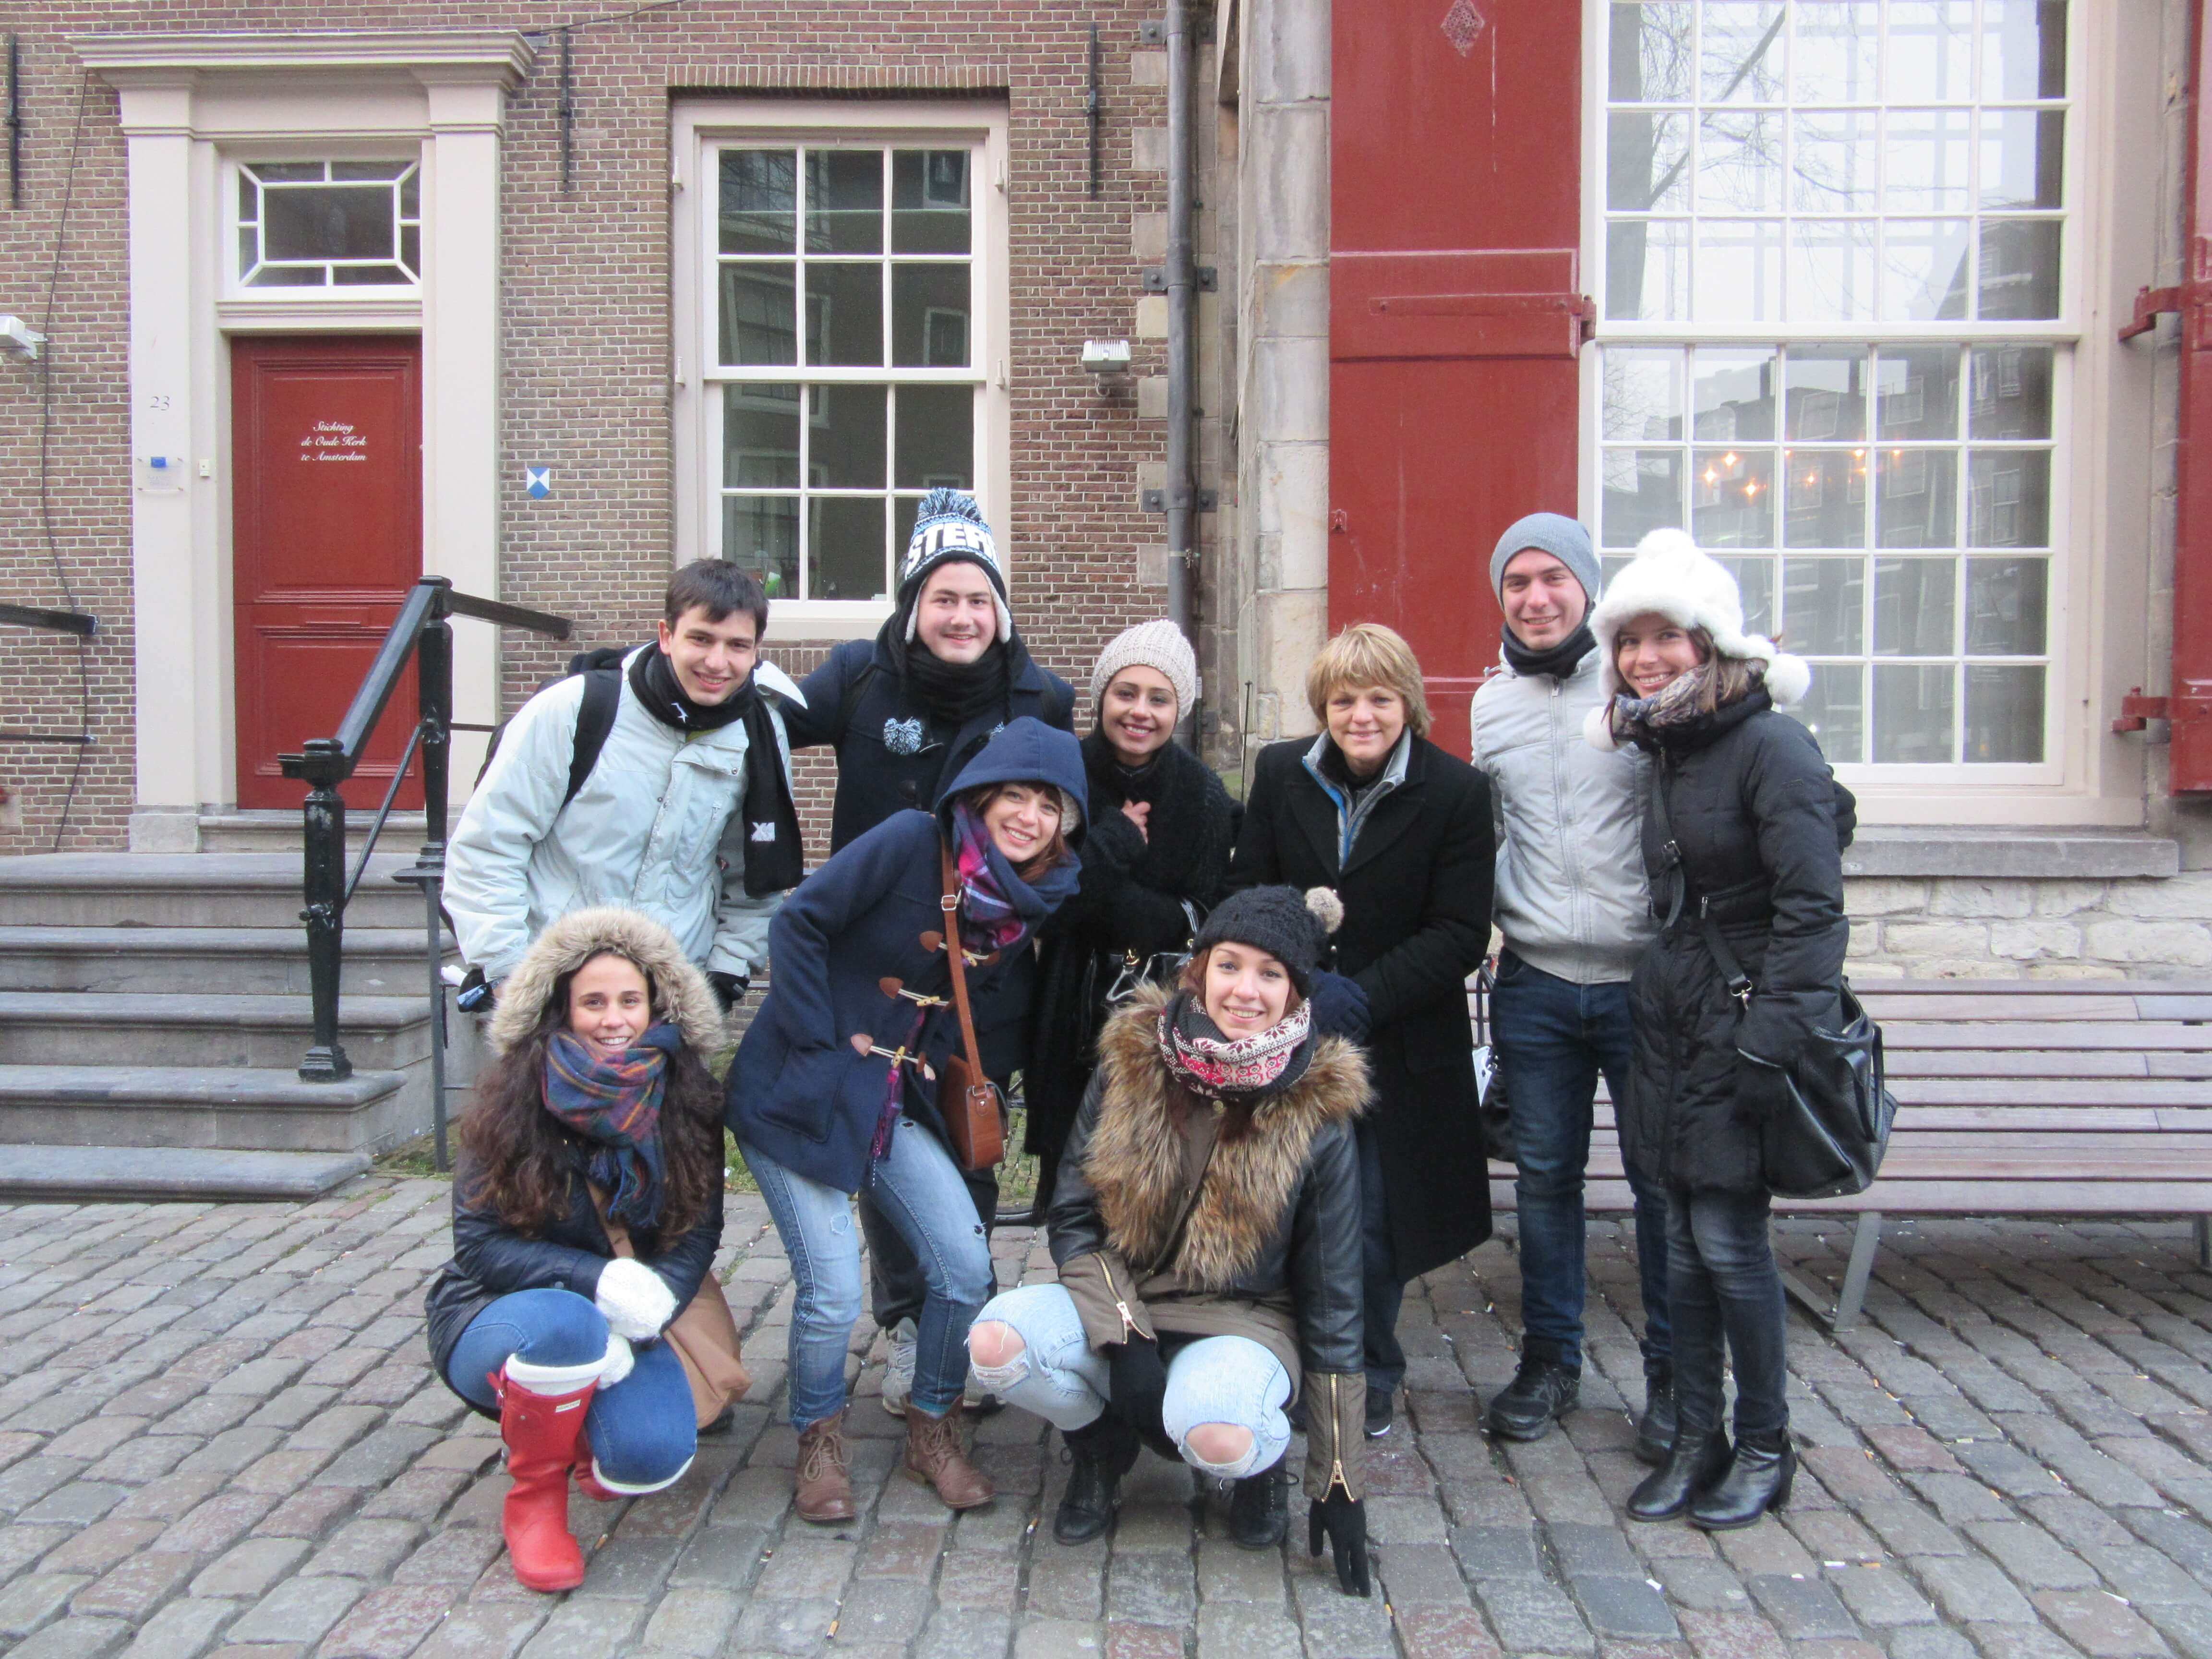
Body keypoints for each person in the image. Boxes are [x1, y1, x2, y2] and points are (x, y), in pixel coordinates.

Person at [724, 716, 1088, 1521]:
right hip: (798, 1086)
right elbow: (800, 923)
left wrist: (928, 1056)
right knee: (830, 1289)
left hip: (889, 1099)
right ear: (982, 795)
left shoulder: (1028, 898)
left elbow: (961, 998)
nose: (1029, 817)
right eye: (1015, 795)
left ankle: (933, 1425)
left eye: (1050, 806)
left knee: (964, 1270)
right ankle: (819, 1438)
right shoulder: (909, 840)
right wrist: (820, 1040)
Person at [968, 886, 1373, 1597]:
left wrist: (1338, 1474)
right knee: (997, 1345)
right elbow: (1075, 1217)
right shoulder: (1133, 1058)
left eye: (1270, 974)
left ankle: (1258, 1468)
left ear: (1296, 992)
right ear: (1200, 968)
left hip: (1245, 1320)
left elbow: (1335, 1298)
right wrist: (1126, 1339)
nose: (1245, 990)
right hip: (1124, 1296)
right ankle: (1100, 1445)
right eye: (1229, 965)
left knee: (1219, 1434)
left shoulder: (1319, 1107)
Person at [780, 488, 1076, 1414]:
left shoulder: (1041, 697)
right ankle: (909, 1318)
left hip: (983, 978)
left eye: (978, 599)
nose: (962, 616)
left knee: (966, 1137)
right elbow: (755, 718)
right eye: (944, 597)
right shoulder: (859, 677)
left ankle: (965, 1310)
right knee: (881, 1147)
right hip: (876, 971)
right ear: (915, 603)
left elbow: (1075, 807)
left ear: (1000, 610)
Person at [1585, 529, 1853, 1531]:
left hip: (1744, 1025)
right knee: (1681, 1242)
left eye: (1665, 637)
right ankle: (1697, 1438)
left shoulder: (1769, 743)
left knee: (1730, 1244)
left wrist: (1770, 1041)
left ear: (1710, 644)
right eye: (1628, 640)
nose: (1643, 657)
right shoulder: (1668, 742)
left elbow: (1811, 909)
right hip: (1674, 1019)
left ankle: (1766, 1446)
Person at [1226, 623, 1494, 1438]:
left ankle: (1369, 1369)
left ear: (1407, 703)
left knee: (1375, 1218)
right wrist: (1298, 986)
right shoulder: (1282, 773)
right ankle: (1287, 1353)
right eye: (1344, 700)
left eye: (1379, 698)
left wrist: (1362, 997)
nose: (1362, 716)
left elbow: (1459, 932)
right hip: (1291, 1033)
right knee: (1285, 1205)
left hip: (1400, 1041)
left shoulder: (1456, 792)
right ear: (1324, 707)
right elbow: (1253, 893)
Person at [423, 909, 731, 1592]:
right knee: (568, 1327)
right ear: (562, 1009)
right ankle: (534, 1498)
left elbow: (696, 1234)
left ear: (657, 1007)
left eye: (630, 1001)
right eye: (593, 1002)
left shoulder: (690, 1099)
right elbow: (478, 1244)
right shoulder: (513, 1097)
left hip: (627, 1313)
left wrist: (650, 1305)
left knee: (651, 1456)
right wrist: (595, 1285)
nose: (614, 1019)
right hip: (500, 1310)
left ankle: (582, 1428)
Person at [1469, 514, 1673, 1459]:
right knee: (1546, 1183)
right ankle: (1550, 1361)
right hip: (1538, 980)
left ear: (1587, 587)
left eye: (1553, 578)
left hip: (1645, 981)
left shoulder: (1638, 684)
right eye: (1517, 582)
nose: (1536, 597)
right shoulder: (1490, 705)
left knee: (1660, 1185)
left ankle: (1672, 1375)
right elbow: (1489, 832)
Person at [445, 560, 803, 1008]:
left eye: (737, 645)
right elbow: (488, 848)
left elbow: (755, 875)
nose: (717, 662)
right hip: (557, 990)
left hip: (672, 994)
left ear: (755, 651)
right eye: (701, 639)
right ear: (666, 635)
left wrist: (727, 972)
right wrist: (510, 974)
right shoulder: (573, 709)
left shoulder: (760, 733)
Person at [1026, 620, 1236, 1207]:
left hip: (1161, 1013)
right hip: (1070, 1004)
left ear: (1178, 710)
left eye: (1159, 699)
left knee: (1151, 1189)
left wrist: (1097, 887)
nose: (1140, 711)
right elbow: (1045, 907)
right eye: (1126, 693)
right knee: (1069, 1185)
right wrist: (1112, 843)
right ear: (1102, 698)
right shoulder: (1060, 775)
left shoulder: (1203, 794)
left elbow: (1196, 918)